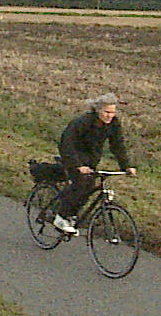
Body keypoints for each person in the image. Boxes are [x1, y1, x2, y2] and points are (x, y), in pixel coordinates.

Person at [51, 92, 136, 235]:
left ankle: (72, 214)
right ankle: (61, 217)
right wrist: (77, 165)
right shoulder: (83, 122)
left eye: (112, 112)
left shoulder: (113, 124)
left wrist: (126, 166)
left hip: (90, 160)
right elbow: (67, 143)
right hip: (74, 156)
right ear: (98, 110)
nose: (110, 116)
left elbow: (117, 146)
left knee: (89, 187)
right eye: (106, 112)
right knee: (80, 184)